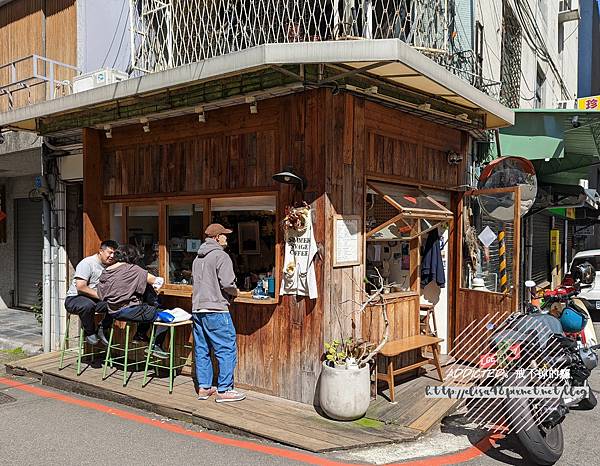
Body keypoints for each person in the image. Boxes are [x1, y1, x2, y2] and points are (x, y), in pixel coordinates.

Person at [192, 223, 245, 402]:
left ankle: (204, 388)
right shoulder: (221, 256)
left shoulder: (197, 258)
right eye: (224, 235)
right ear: (216, 238)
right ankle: (224, 390)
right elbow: (228, 284)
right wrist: (236, 292)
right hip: (216, 309)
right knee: (226, 349)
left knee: (202, 349)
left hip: (198, 309)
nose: (226, 238)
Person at [96, 244, 169, 358]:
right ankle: (156, 346)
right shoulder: (134, 269)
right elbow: (157, 281)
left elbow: (101, 295)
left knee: (147, 308)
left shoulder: (106, 270)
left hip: (112, 312)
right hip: (129, 311)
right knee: (164, 314)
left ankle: (140, 334)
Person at [65, 240, 119, 346]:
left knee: (119, 302)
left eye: (114, 253)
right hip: (76, 298)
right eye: (110, 253)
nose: (112, 256)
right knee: (87, 305)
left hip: (96, 299)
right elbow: (81, 287)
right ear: (101, 251)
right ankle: (90, 332)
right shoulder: (87, 263)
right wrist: (101, 296)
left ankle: (103, 328)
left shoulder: (111, 265)